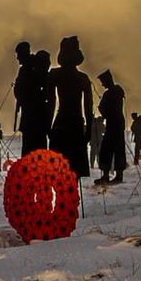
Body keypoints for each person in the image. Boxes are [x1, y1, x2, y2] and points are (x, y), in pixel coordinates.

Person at [46, 36, 93, 179]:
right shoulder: (82, 78)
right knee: (73, 173)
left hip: (61, 124)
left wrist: (49, 127)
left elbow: (51, 103)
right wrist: (88, 131)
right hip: (76, 125)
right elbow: (88, 108)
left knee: (60, 172)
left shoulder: (54, 75)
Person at [13, 41, 49, 154]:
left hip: (33, 115)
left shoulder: (29, 69)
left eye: (19, 54)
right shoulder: (29, 68)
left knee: (31, 150)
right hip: (34, 115)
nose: (18, 58)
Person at [95, 69, 126, 185]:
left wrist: (101, 109)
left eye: (103, 82)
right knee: (119, 150)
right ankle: (119, 175)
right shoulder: (118, 90)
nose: (102, 84)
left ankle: (106, 175)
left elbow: (104, 110)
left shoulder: (108, 94)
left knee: (106, 150)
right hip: (119, 124)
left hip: (113, 125)